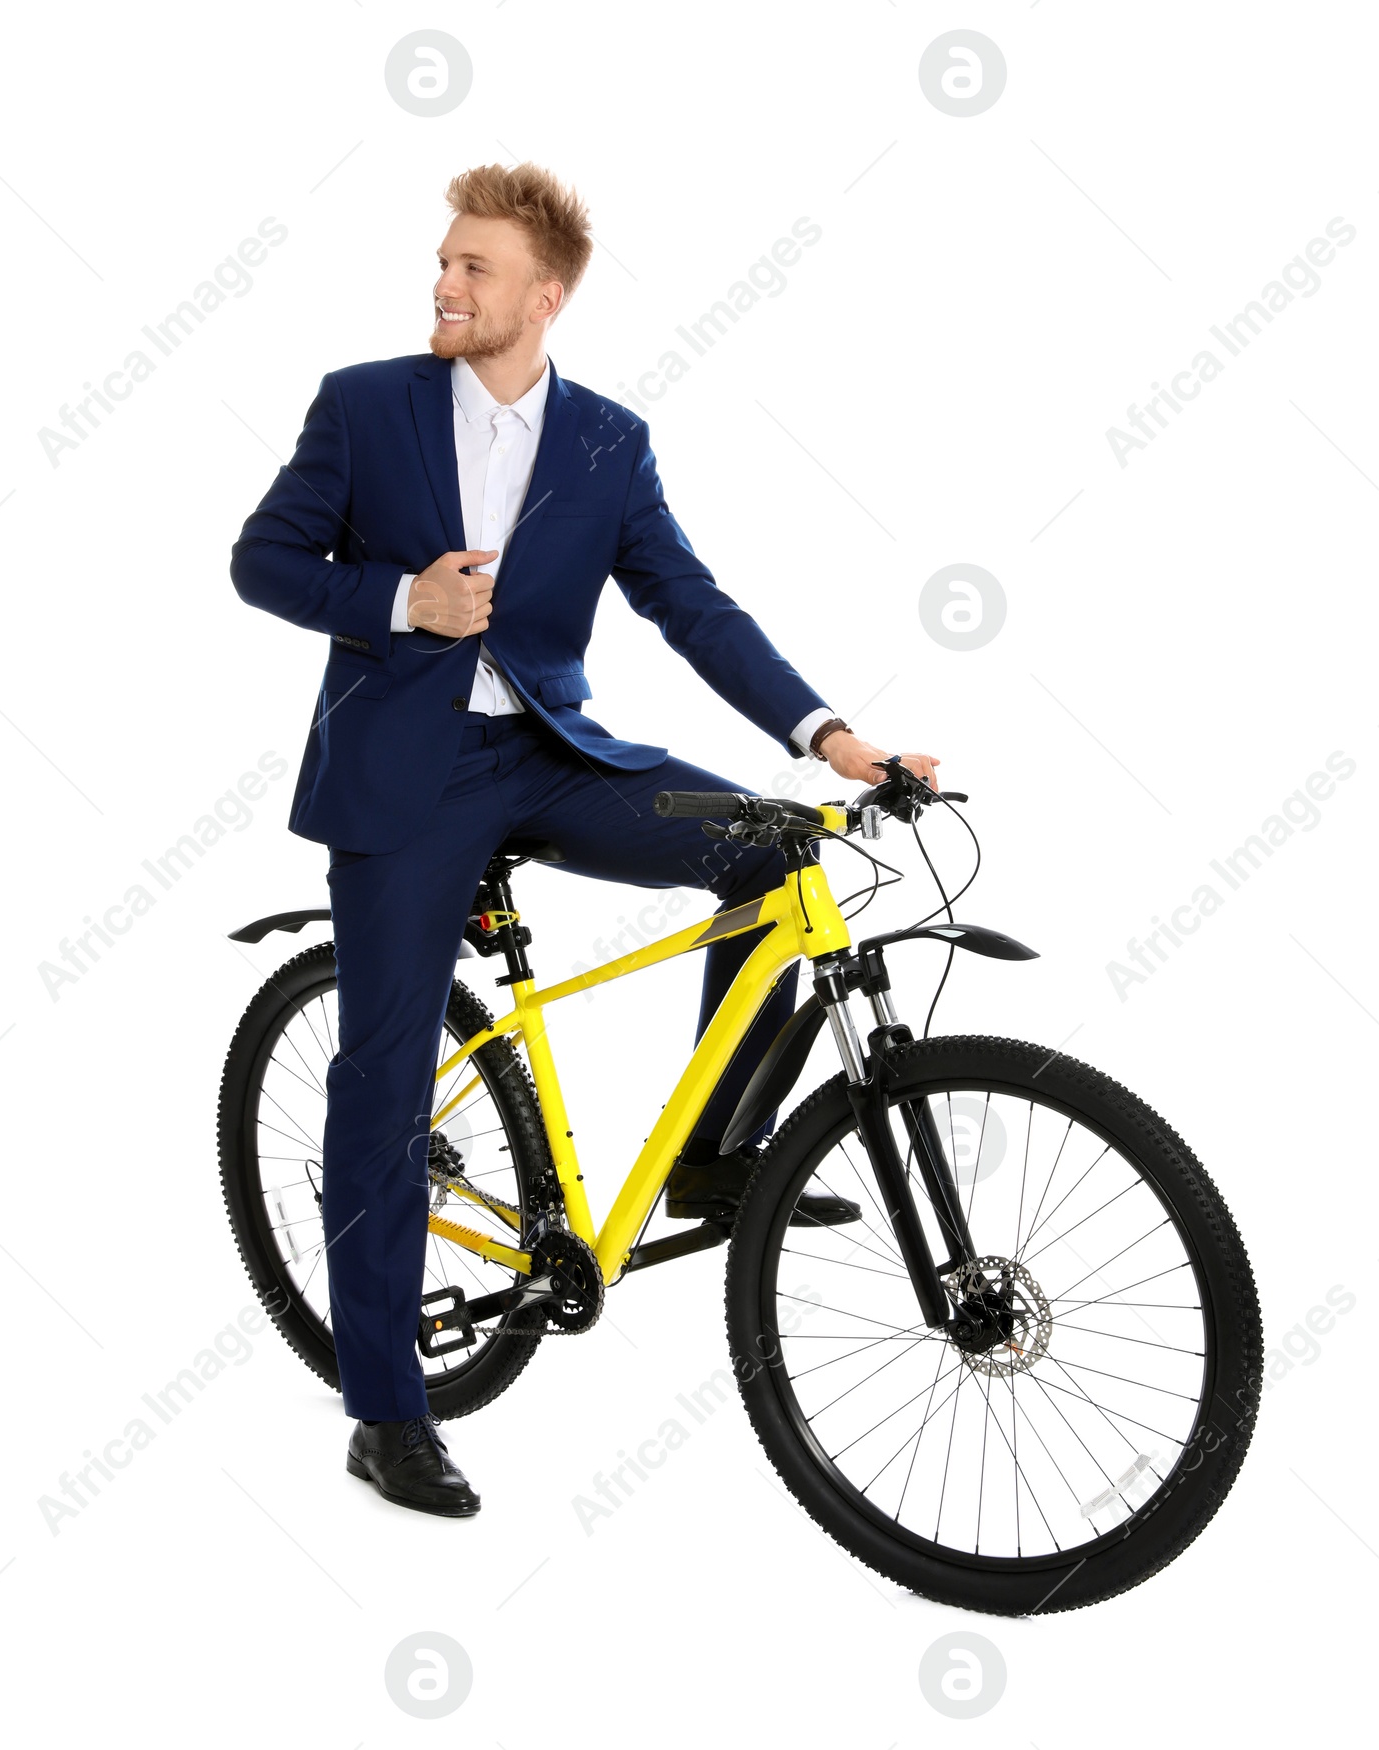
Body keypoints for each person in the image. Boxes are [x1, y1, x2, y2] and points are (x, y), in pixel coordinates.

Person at [230, 162, 938, 1516]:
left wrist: (833, 736)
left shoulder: (607, 441)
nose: (443, 283)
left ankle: (714, 1154)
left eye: (473, 269)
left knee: (776, 848)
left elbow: (693, 603)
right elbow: (262, 559)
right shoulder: (366, 404)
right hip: (407, 779)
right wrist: (396, 601)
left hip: (550, 753)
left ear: (544, 295)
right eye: (441, 263)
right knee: (379, 1094)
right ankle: (384, 1410)